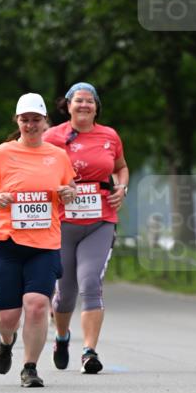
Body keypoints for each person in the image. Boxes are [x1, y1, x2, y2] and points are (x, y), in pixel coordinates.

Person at [0, 93, 76, 388]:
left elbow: (69, 188)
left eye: (36, 119)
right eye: (25, 120)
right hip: (6, 241)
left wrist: (69, 193)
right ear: (17, 121)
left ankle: (29, 367)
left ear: (46, 122)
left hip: (44, 243)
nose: (30, 125)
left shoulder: (57, 155)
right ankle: (6, 342)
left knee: (36, 305)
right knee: (7, 317)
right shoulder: (2, 153)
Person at [43, 81, 129, 374]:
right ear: (67, 105)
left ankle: (89, 352)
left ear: (96, 107)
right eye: (78, 100)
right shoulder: (52, 137)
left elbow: (121, 167)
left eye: (89, 101)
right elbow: (39, 171)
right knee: (65, 292)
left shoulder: (109, 135)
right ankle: (62, 336)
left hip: (100, 220)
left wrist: (123, 187)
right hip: (63, 221)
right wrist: (57, 189)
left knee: (91, 282)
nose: (84, 105)